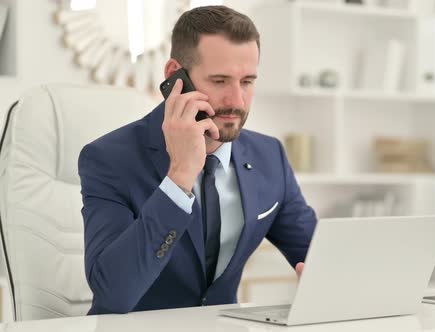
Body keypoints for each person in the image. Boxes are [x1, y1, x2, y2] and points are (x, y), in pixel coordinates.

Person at [78, 5, 317, 315]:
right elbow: (114, 294)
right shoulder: (108, 159)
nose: (237, 101)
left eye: (246, 81)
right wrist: (179, 177)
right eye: (219, 81)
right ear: (174, 76)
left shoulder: (269, 157)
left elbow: (319, 258)